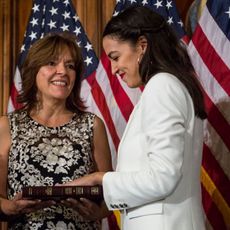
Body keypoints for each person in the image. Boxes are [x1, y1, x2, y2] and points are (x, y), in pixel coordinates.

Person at [63, 5, 207, 230]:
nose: (113, 69)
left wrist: (101, 179)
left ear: (142, 45)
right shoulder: (168, 85)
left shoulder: (162, 86)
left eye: (116, 57)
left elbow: (163, 177)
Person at [0, 32, 112, 229]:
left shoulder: (92, 125)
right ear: (34, 70)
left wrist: (100, 212)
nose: (62, 71)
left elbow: (111, 193)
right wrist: (11, 207)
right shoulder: (7, 126)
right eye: (52, 63)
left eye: (70, 66)